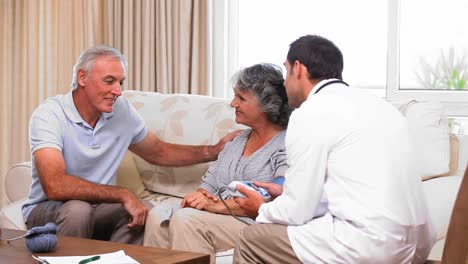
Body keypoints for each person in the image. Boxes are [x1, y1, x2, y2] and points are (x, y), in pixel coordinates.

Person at [233, 35, 436, 263]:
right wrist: (287, 194)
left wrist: (261, 209)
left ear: (298, 69)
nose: (284, 84)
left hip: (369, 245)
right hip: (418, 243)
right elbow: (356, 189)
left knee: (251, 239)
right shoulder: (379, 105)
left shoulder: (310, 112)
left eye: (286, 71)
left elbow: (296, 212)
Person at [22, 45, 238, 245]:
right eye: (109, 81)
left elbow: (159, 152)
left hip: (97, 208)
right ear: (82, 77)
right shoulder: (50, 114)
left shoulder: (121, 110)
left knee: (144, 212)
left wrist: (214, 150)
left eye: (120, 82)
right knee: (79, 210)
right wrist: (122, 193)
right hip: (48, 209)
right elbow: (55, 185)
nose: (117, 91)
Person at [143, 63, 292, 263]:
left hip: (253, 223)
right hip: (218, 215)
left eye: (241, 98)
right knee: (158, 214)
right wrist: (200, 195)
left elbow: (276, 195)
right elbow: (211, 181)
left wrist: (216, 206)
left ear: (266, 105)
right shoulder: (237, 140)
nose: (233, 104)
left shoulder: (286, 144)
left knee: (186, 220)